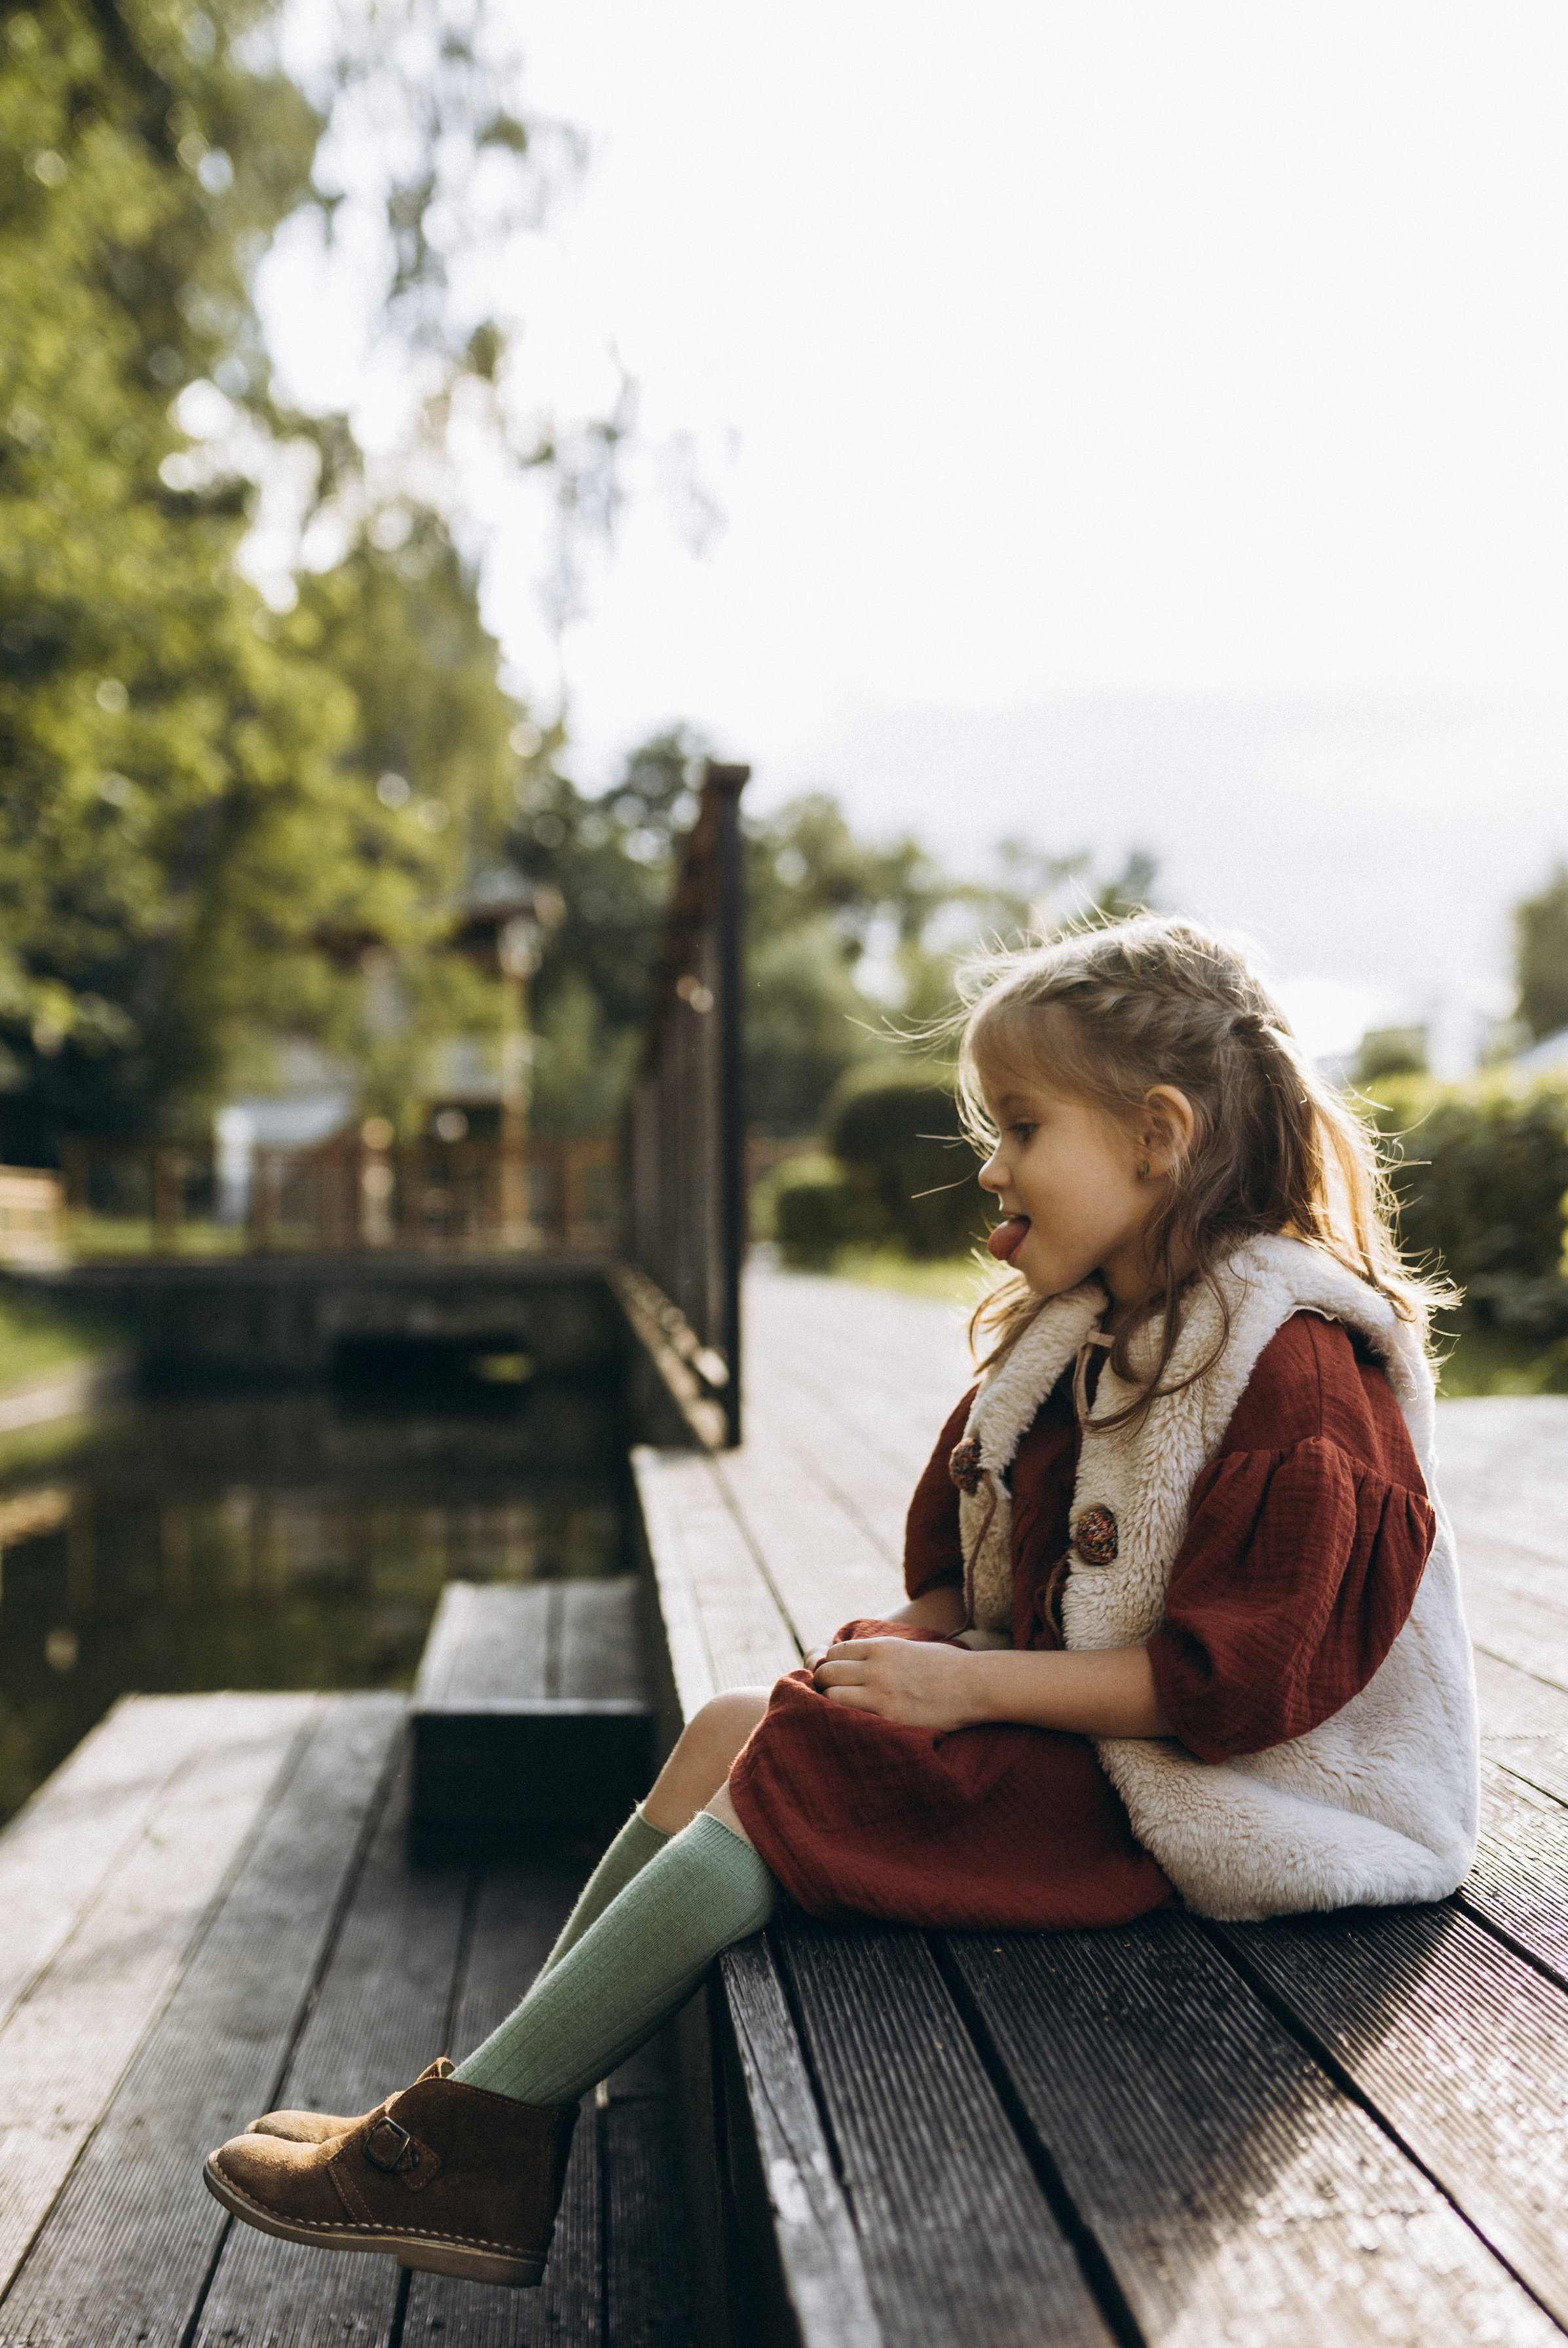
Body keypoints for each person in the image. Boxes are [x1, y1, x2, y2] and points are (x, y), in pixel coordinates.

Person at [202, 915, 1480, 2288]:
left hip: (1235, 1803)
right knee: (730, 1725)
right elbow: (984, 1572)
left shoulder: (1291, 1368)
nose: (991, 1167)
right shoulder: (1098, 1330)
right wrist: (925, 1637)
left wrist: (965, 1686)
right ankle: (497, 2115)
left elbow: (1234, 1686)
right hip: (1119, 1748)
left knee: (801, 1767)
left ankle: (469, 2141)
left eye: (1022, 1127)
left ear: (1157, 1139)